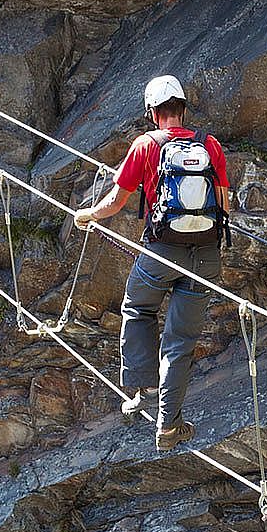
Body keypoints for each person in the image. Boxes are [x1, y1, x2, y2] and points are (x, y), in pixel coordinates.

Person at [74, 75, 230, 451]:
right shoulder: (210, 145)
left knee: (138, 308)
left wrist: (88, 216)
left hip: (162, 251)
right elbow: (224, 205)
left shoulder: (145, 145)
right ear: (182, 107)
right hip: (205, 256)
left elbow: (115, 202)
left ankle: (142, 388)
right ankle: (169, 424)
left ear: (152, 113)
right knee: (181, 341)